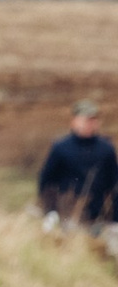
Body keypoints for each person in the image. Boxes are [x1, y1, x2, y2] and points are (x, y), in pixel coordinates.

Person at [36, 98, 116, 230]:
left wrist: (115, 219)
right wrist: (50, 211)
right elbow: (46, 180)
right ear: (74, 121)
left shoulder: (106, 148)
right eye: (85, 119)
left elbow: (114, 184)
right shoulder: (61, 147)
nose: (89, 124)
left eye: (93, 120)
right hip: (66, 215)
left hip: (99, 217)